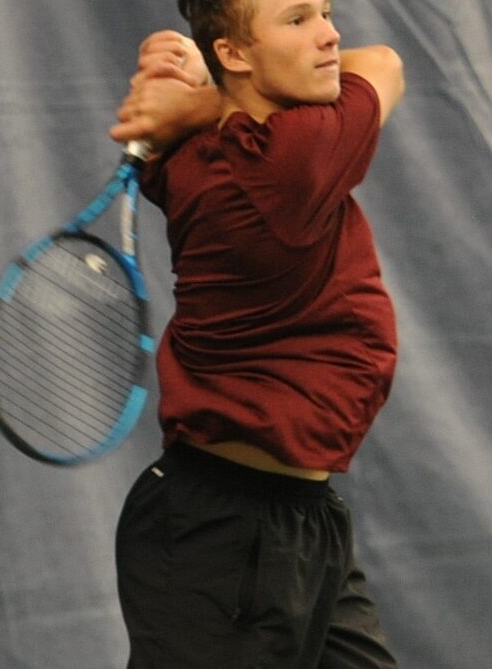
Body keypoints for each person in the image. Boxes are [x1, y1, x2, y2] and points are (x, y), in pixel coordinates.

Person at [108, 0, 406, 665]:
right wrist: (202, 95)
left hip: (297, 518)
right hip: (225, 537)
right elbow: (385, 64)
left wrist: (198, 94)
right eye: (298, 19)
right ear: (237, 54)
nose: (330, 34)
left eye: (327, 12)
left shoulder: (201, 150)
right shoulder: (292, 162)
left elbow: (191, 106)